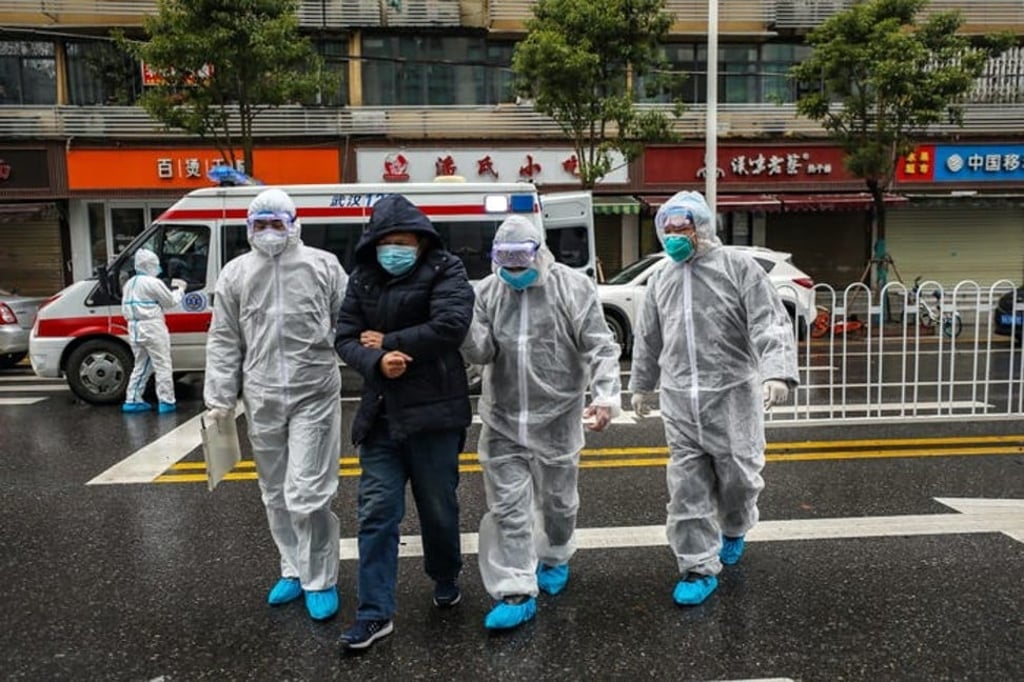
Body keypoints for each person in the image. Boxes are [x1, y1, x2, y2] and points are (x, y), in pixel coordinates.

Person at [629, 190, 798, 606]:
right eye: (666, 229)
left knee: (740, 478)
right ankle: (697, 566)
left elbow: (768, 320)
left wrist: (776, 371)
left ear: (701, 227)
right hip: (680, 401)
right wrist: (641, 385)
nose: (673, 236)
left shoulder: (737, 268)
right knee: (686, 489)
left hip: (732, 397)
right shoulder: (661, 279)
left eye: (681, 228)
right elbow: (649, 339)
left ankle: (736, 525)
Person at [461, 215, 622, 631]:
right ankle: (515, 588)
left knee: (558, 504)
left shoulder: (573, 288)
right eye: (505, 261)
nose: (513, 271)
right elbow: (479, 353)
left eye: (521, 260)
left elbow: (600, 345)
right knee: (508, 509)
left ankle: (555, 553)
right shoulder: (487, 292)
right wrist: (462, 324)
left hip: (558, 419)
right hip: (503, 420)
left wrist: (605, 396)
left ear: (541, 251)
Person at [334, 194, 475, 651]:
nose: (395, 249)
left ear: (421, 241)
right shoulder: (363, 278)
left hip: (435, 413)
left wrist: (393, 342)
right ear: (373, 243)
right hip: (381, 416)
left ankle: (445, 573)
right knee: (376, 513)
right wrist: (376, 360)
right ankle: (375, 613)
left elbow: (452, 325)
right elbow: (345, 337)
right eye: (386, 242)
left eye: (403, 241)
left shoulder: (446, 269)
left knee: (438, 508)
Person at [203, 188, 348, 621]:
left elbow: (350, 320)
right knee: (275, 491)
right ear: (248, 228)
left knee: (307, 490)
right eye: (259, 224)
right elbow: (225, 338)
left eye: (276, 223)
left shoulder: (323, 266)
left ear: (294, 223)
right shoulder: (236, 274)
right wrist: (220, 399)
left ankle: (320, 578)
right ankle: (292, 567)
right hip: (262, 393)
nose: (268, 232)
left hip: (314, 392)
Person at [121, 248, 183, 414]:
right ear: (150, 265)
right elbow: (170, 302)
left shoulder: (129, 284)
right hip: (152, 327)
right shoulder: (152, 282)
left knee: (141, 365)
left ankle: (132, 400)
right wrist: (180, 290)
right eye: (156, 265)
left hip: (134, 328)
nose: (158, 268)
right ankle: (166, 401)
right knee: (162, 364)